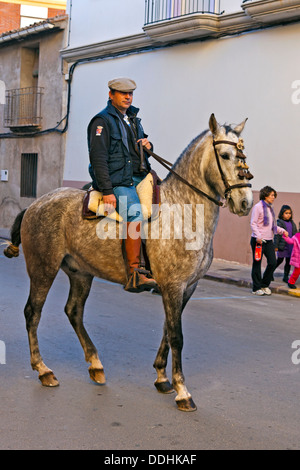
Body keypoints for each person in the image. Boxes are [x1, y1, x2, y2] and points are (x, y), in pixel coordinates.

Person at [87, 77, 157, 293]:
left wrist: (148, 144)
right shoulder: (102, 121)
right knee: (135, 214)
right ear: (111, 94)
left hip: (139, 176)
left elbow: (142, 144)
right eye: (123, 93)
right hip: (118, 180)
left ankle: (157, 267)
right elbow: (98, 159)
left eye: (131, 93)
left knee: (164, 206)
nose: (128, 97)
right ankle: (134, 274)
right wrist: (107, 191)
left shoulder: (133, 119)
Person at [250, 186, 288, 296]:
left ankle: (264, 284)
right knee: (257, 264)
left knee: (272, 262)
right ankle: (256, 288)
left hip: (269, 240)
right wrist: (258, 236)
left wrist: (282, 231)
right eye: (272, 195)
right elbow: (253, 223)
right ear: (265, 195)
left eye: (274, 195)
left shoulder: (270, 208)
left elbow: (273, 225)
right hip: (258, 241)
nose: (273, 197)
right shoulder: (258, 207)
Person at [273, 205, 298, 283]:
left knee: (288, 262)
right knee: (279, 260)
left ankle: (285, 276)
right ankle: (269, 273)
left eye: (289, 213)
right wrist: (276, 246)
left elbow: (295, 233)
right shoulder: (280, 222)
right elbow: (277, 235)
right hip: (282, 246)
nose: (288, 215)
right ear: (282, 214)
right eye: (286, 213)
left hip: (290, 246)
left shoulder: (292, 223)